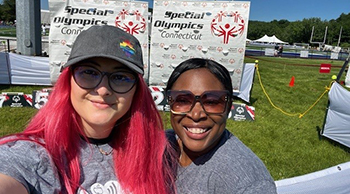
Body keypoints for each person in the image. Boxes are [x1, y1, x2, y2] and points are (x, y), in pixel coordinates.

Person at [0, 25, 176, 194]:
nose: (103, 89)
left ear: (137, 91)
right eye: (89, 73)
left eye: (120, 77)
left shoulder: (156, 151)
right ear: (68, 81)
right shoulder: (32, 154)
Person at [165, 58, 277, 193]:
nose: (196, 115)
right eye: (182, 100)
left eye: (212, 102)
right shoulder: (158, 146)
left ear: (228, 107)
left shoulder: (245, 182)